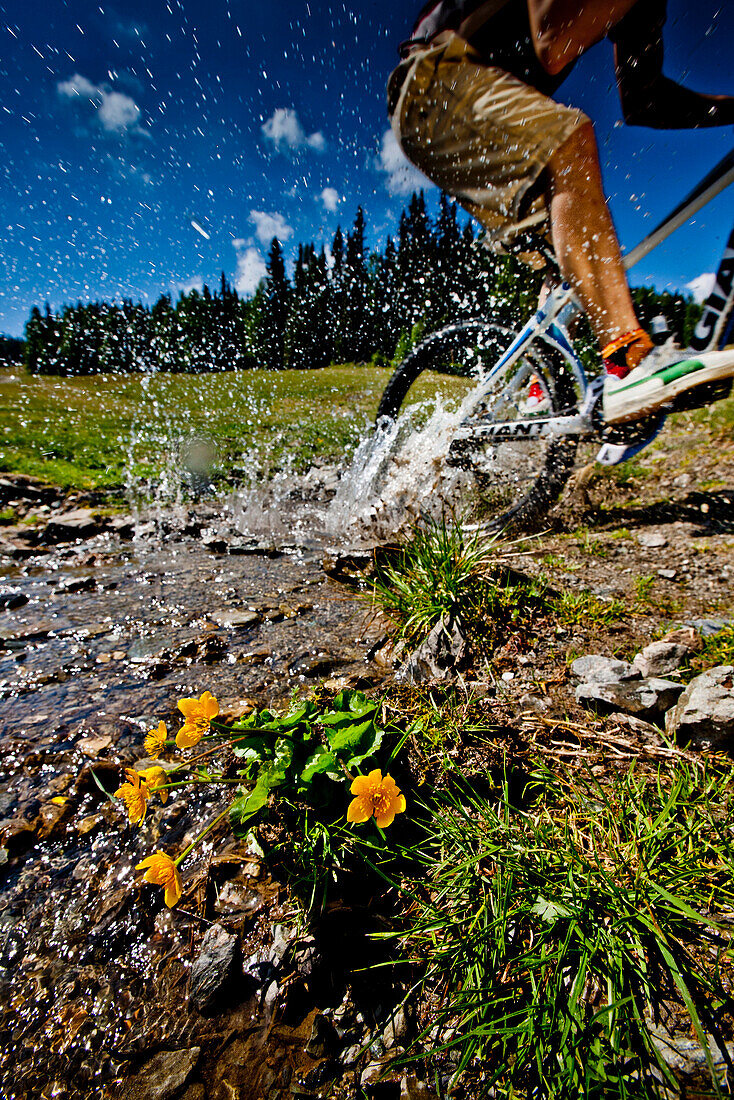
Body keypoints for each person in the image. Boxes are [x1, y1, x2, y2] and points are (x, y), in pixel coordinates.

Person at [388, 0, 734, 423]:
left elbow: (645, 101)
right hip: (435, 77)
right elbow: (551, 42)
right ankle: (627, 361)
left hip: (464, 96)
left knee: (566, 240)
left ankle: (541, 388)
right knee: (568, 139)